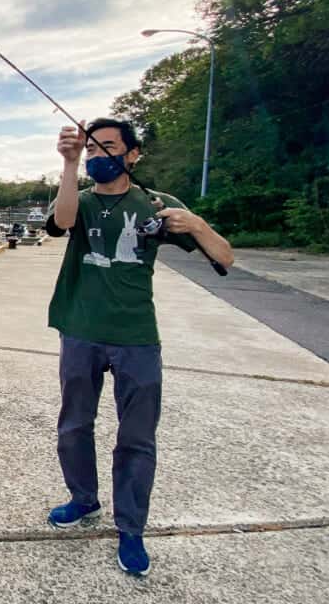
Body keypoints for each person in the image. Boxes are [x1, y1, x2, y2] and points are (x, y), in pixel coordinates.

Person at [43, 117, 233, 577]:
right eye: (91, 148)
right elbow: (60, 222)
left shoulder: (156, 205)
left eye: (107, 147)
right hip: (80, 328)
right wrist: (69, 166)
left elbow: (225, 258)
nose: (97, 156)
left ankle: (131, 528)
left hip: (137, 337)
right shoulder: (81, 199)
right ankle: (83, 500)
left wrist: (198, 224)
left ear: (133, 154)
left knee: (137, 437)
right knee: (74, 426)